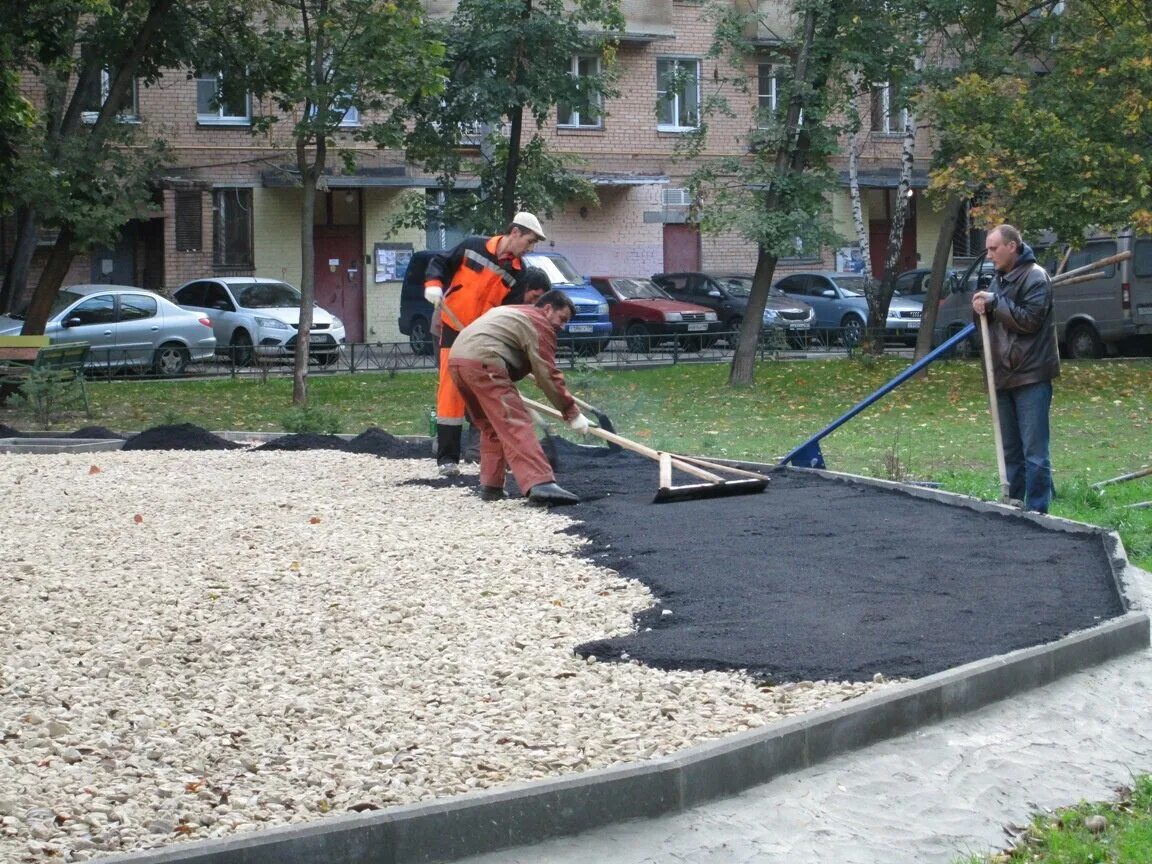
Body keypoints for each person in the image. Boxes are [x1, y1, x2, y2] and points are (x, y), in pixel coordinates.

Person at [424, 212, 547, 477]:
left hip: (481, 337)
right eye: (529, 241)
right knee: (450, 391)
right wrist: (434, 285)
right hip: (453, 327)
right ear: (515, 233)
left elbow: (506, 312)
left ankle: (483, 454)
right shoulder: (472, 246)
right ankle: (447, 458)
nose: (530, 248)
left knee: (484, 391)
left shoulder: (518, 274)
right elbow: (440, 262)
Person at [447, 290, 590, 505]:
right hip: (485, 361)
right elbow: (548, 375)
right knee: (515, 421)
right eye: (562, 319)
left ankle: (491, 486)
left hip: (457, 362)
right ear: (548, 308)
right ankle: (540, 483)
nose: (562, 326)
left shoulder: (515, 312)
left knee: (491, 426)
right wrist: (572, 413)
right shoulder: (539, 323)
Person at [972, 224, 1060, 513]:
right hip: (1003, 375)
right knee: (1010, 451)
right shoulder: (999, 279)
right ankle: (1014, 506)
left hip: (1031, 375)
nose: (989, 254)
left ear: (1012, 246)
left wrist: (995, 302)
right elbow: (993, 326)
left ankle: (1037, 512)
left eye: (994, 248)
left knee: (1034, 452)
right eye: (987, 248)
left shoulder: (1036, 277)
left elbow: (1029, 321)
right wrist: (980, 308)